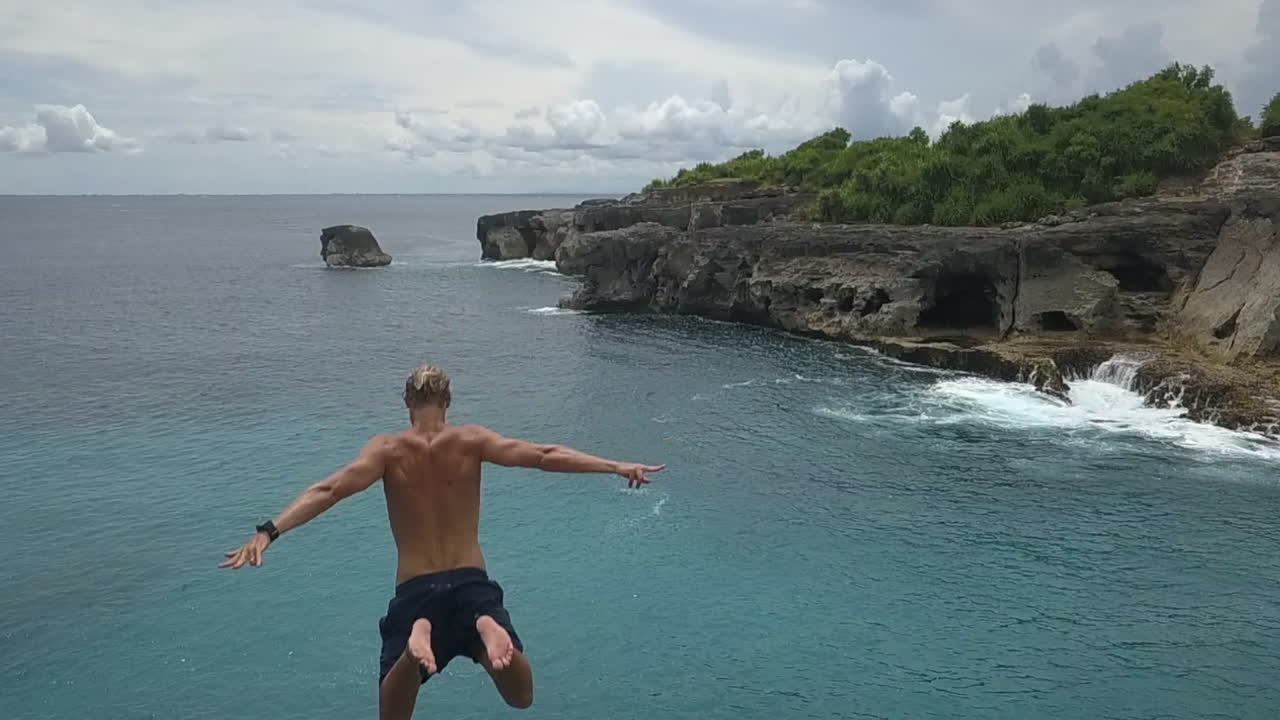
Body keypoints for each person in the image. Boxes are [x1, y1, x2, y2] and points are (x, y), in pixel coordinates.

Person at [220, 365, 664, 719]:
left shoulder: (387, 450)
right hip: (472, 585)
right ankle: (487, 629)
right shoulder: (470, 440)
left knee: (393, 714)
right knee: (521, 696)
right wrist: (615, 465)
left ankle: (419, 636)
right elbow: (544, 455)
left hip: (415, 590)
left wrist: (269, 531)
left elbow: (329, 490)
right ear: (447, 402)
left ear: (407, 402)